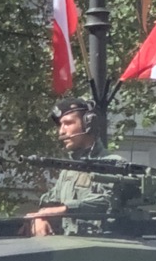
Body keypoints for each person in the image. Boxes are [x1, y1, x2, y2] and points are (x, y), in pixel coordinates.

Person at [25, 98, 118, 238]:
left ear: (88, 124)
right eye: (60, 125)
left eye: (68, 123)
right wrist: (40, 217)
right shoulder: (69, 170)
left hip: (102, 248)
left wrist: (65, 209)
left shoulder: (114, 165)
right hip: (69, 248)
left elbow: (108, 202)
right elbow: (50, 200)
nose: (61, 132)